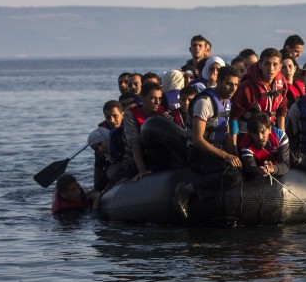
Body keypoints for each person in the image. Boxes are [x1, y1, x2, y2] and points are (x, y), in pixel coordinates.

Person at [176, 65, 244, 218]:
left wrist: (234, 154)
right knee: (233, 176)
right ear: (219, 82)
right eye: (229, 84)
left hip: (215, 153)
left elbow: (226, 132)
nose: (233, 88)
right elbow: (197, 139)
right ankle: (187, 189)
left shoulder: (227, 102)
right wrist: (225, 156)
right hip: (199, 153)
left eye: (235, 84)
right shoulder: (205, 102)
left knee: (241, 169)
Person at [124, 81, 182, 181]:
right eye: (153, 98)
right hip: (138, 159)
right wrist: (142, 170)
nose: (157, 102)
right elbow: (134, 143)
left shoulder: (163, 113)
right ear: (142, 97)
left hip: (158, 156)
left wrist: (170, 123)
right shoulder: (131, 115)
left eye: (159, 99)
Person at [230, 48, 289, 139]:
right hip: (248, 135)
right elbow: (234, 116)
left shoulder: (282, 83)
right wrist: (233, 144)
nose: (271, 68)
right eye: (267, 64)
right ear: (260, 65)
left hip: (271, 133)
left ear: (280, 67)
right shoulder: (247, 87)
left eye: (275, 64)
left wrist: (281, 133)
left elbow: (282, 107)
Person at [238, 112, 290, 179]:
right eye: (256, 133)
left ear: (269, 129)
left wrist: (273, 169)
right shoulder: (246, 145)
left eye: (263, 132)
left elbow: (285, 164)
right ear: (250, 133)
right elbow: (250, 168)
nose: (260, 137)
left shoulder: (280, 136)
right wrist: (258, 171)